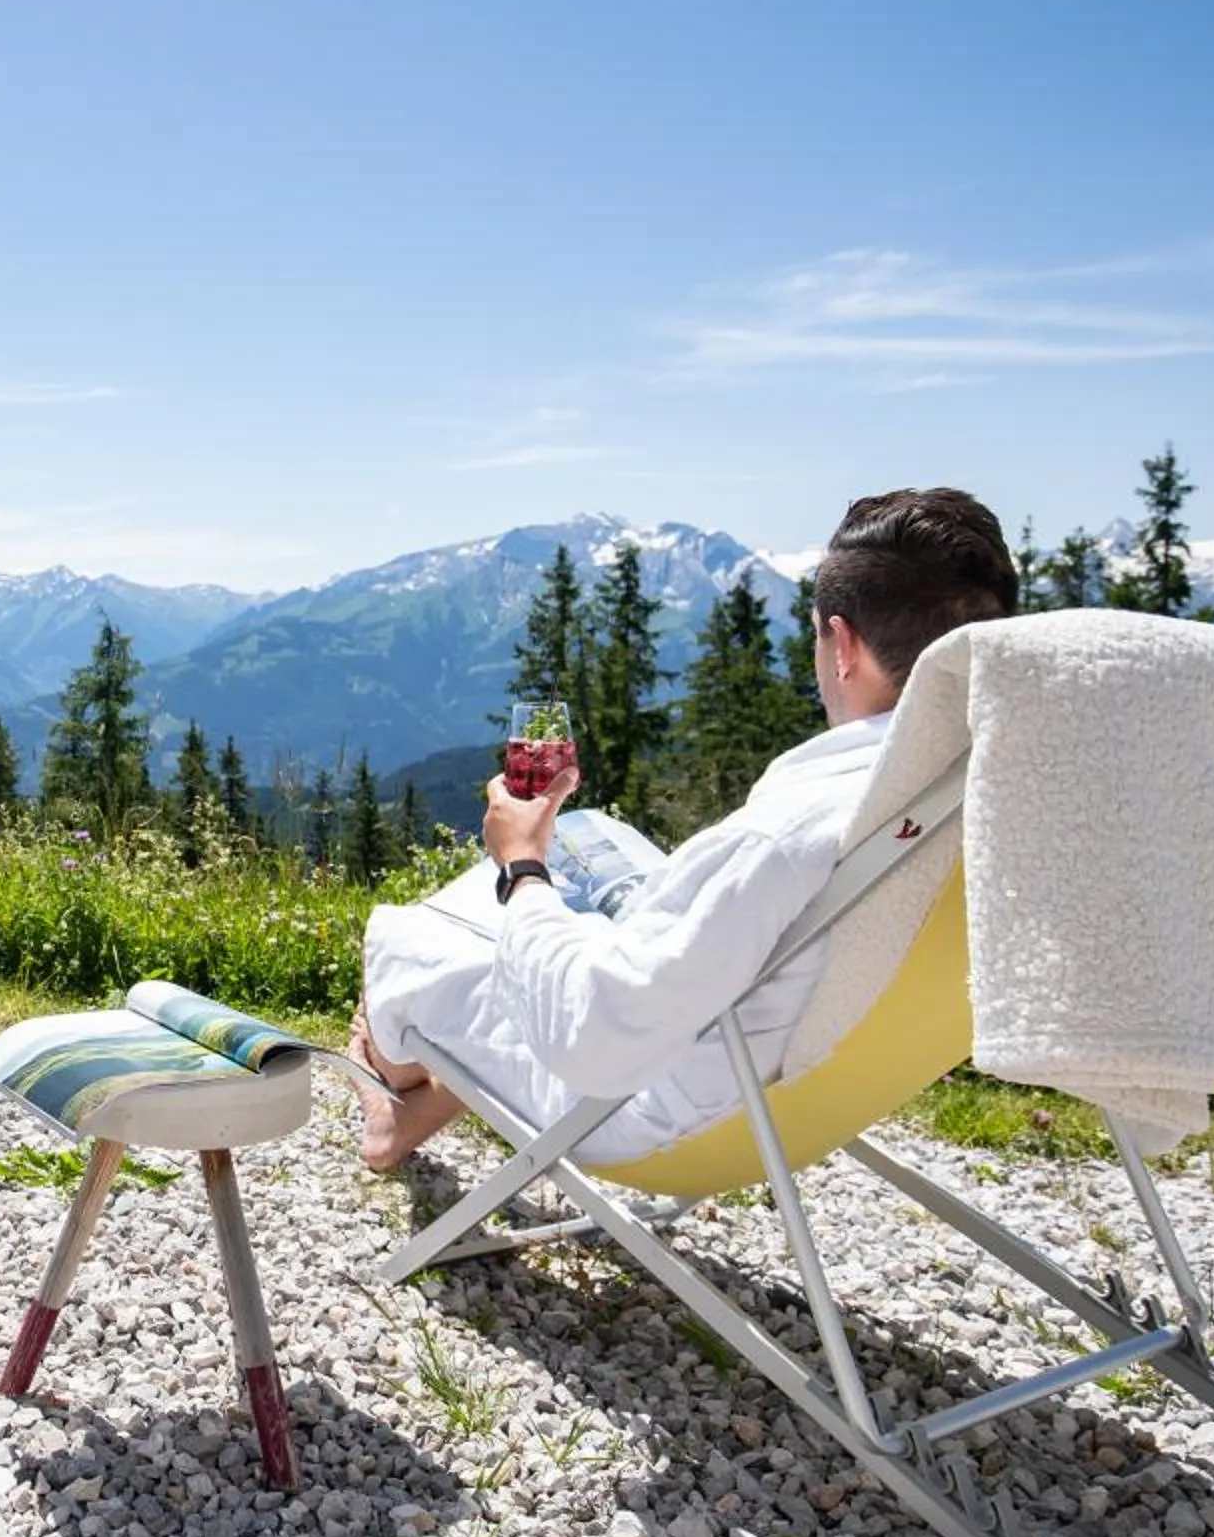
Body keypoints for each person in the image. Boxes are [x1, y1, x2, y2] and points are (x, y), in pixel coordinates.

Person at [351, 488, 1019, 1172]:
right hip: (813, 1074)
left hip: (651, 1104)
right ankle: (447, 1066)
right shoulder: (995, 787)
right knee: (585, 830)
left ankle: (396, 1095)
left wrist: (522, 865)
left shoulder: (794, 831)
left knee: (409, 940)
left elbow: (594, 1035)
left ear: (842, 644)